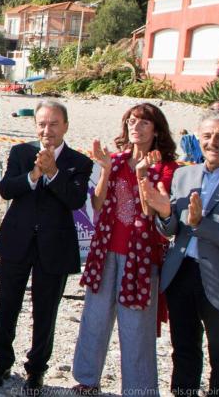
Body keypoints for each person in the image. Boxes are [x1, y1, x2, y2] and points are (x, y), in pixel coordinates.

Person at [0, 100, 93, 393]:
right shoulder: (21, 152)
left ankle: (36, 369)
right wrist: (33, 176)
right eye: (42, 124)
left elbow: (76, 200)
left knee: (46, 311)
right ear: (36, 126)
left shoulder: (79, 162)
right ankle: (1, 361)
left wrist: (54, 173)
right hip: (17, 241)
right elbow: (6, 189)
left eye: (54, 124)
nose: (48, 130)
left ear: (65, 126)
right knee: (7, 305)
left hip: (54, 246)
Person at [71, 103, 178, 396]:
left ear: (156, 131)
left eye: (144, 123)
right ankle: (86, 379)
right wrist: (104, 170)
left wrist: (144, 175)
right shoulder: (115, 161)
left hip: (142, 259)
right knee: (95, 317)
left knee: (137, 329)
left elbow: (151, 212)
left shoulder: (167, 168)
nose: (136, 127)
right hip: (105, 251)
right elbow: (96, 204)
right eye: (131, 121)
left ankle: (139, 390)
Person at [145, 109, 219, 397]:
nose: (213, 142)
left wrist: (200, 224)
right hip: (181, 274)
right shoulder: (183, 174)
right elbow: (170, 229)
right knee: (184, 350)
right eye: (207, 135)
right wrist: (165, 213)